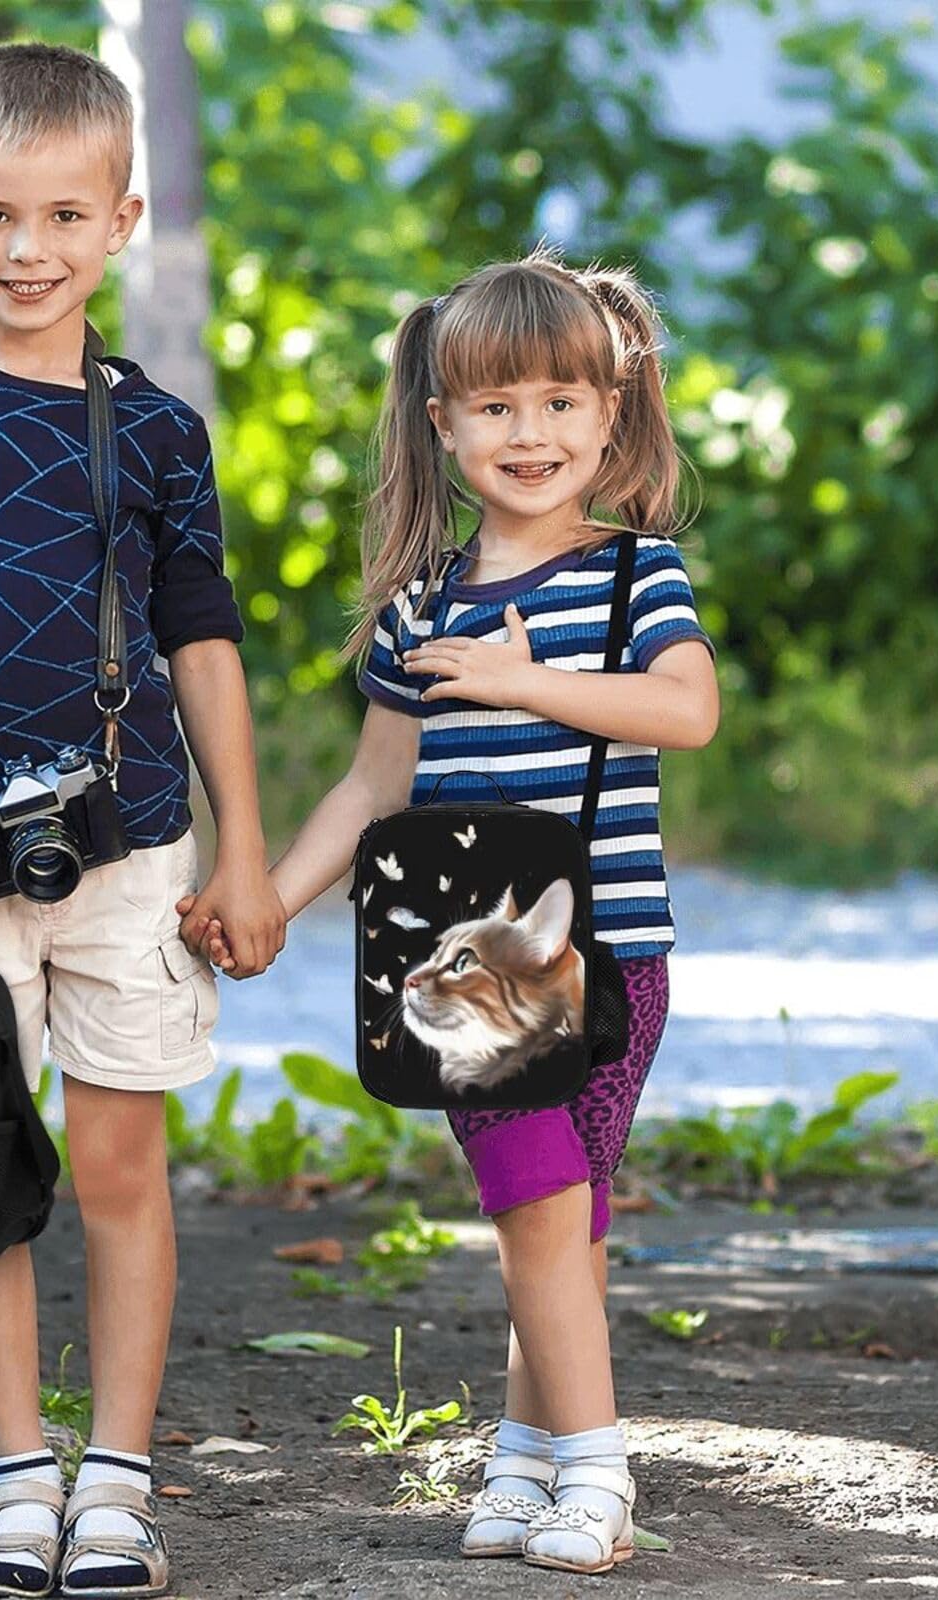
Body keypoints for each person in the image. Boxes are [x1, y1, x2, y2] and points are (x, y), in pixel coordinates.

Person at [0, 41, 285, 1598]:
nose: (30, 249)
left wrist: (245, 847)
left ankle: (120, 1481)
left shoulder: (159, 432)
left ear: (122, 219)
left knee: (118, 1173)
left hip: (134, 847)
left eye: (65, 216)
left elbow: (203, 644)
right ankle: (19, 1477)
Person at [190, 248, 718, 1575]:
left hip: (614, 959)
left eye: (560, 402)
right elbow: (373, 785)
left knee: (568, 1220)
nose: (530, 433)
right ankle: (590, 1473)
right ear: (444, 423)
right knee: (536, 1202)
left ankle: (539, 1461)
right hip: (466, 974)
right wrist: (269, 902)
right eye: (496, 406)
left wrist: (523, 682)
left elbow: (687, 710)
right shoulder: (423, 604)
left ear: (611, 411)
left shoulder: (634, 577)